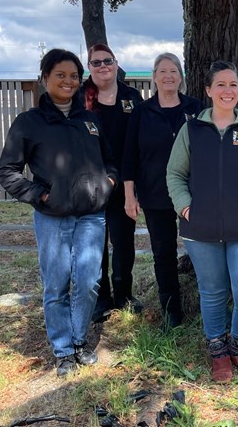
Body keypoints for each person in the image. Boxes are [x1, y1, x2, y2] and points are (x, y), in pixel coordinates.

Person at [0, 49, 118, 377]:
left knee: (89, 280)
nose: (68, 81)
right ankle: (63, 350)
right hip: (53, 217)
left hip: (92, 216)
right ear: (45, 78)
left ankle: (79, 340)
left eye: (74, 76)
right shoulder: (29, 123)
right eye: (60, 75)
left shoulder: (90, 120)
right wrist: (40, 195)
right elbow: (7, 171)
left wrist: (108, 181)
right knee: (56, 285)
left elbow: (109, 159)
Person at [166, 61, 238, 382]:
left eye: (233, 85)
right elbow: (175, 174)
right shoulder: (191, 131)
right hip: (200, 228)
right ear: (208, 91)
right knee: (213, 292)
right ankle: (218, 352)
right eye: (221, 85)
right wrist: (185, 207)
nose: (227, 91)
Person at [122, 53, 201, 328]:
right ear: (154, 77)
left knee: (202, 249)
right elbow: (130, 156)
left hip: (193, 194)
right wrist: (129, 195)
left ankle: (208, 304)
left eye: (174, 70)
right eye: (162, 71)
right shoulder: (142, 112)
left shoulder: (196, 108)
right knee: (163, 253)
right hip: (155, 194)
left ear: (181, 76)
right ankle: (171, 311)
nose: (168, 76)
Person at [81, 44, 145, 321]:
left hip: (125, 183)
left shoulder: (132, 97)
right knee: (95, 244)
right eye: (96, 63)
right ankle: (101, 298)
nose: (103, 66)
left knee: (123, 242)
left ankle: (123, 294)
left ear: (117, 64)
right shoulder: (80, 97)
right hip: (91, 185)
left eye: (108, 61)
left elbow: (140, 141)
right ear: (89, 67)